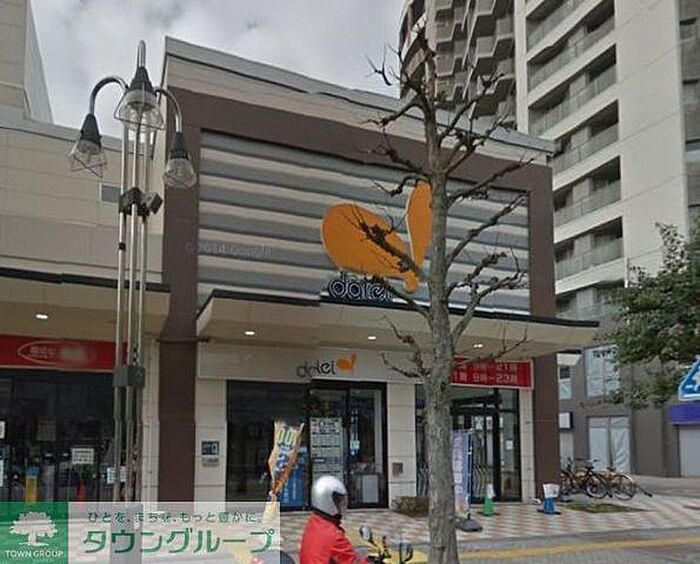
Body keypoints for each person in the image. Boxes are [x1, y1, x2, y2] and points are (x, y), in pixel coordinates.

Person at [299, 475, 367, 564]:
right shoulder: (334, 537)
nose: (342, 506)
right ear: (327, 501)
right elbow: (351, 561)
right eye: (339, 502)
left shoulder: (314, 523)